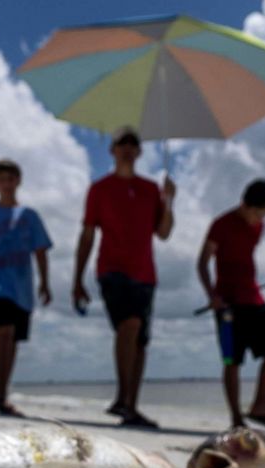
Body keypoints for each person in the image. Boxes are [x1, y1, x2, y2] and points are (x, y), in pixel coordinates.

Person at [72, 126, 176, 428]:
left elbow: (165, 233)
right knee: (129, 325)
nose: (128, 148)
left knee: (141, 341)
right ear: (112, 150)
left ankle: (130, 404)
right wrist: (77, 279)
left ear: (140, 151)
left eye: (133, 143)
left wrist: (169, 201)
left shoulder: (150, 189)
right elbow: (88, 234)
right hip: (112, 270)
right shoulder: (100, 188)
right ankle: (122, 397)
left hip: (146, 273)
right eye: (122, 143)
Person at [196, 179, 265, 431]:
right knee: (232, 361)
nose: (260, 218)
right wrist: (212, 295)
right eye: (257, 212)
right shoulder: (221, 225)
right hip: (226, 304)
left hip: (253, 297)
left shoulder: (258, 227)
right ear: (244, 204)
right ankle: (236, 419)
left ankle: (260, 405)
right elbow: (202, 263)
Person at [0, 159, 52, 416]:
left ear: (18, 181)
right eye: (2, 179)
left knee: (13, 338)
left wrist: (45, 282)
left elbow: (40, 251)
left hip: (22, 289)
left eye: (11, 178)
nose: (6, 183)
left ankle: (3, 393)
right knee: (3, 332)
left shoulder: (29, 216)